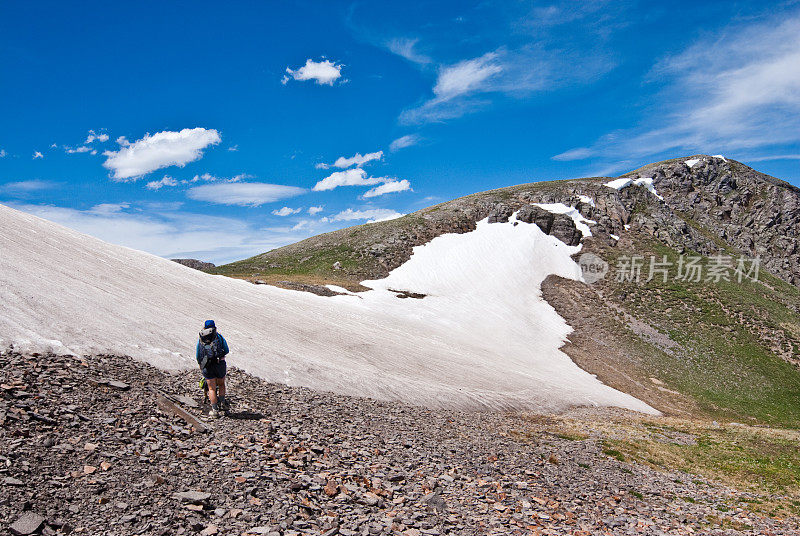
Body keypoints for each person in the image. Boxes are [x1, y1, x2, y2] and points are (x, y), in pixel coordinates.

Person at [196, 320, 230, 418]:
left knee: (211, 388)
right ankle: (222, 403)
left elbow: (198, 354)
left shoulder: (201, 338)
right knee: (221, 384)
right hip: (220, 363)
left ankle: (215, 410)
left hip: (207, 365)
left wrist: (201, 365)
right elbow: (226, 350)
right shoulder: (218, 337)